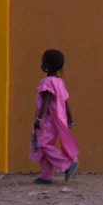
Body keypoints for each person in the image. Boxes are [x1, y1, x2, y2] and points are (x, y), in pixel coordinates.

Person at [30, 48, 79, 184]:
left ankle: (67, 165)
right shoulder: (60, 82)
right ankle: (46, 176)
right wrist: (70, 118)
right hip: (59, 120)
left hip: (47, 120)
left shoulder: (47, 82)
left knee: (43, 145)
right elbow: (65, 101)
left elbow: (46, 100)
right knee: (46, 145)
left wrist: (39, 118)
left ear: (46, 66)